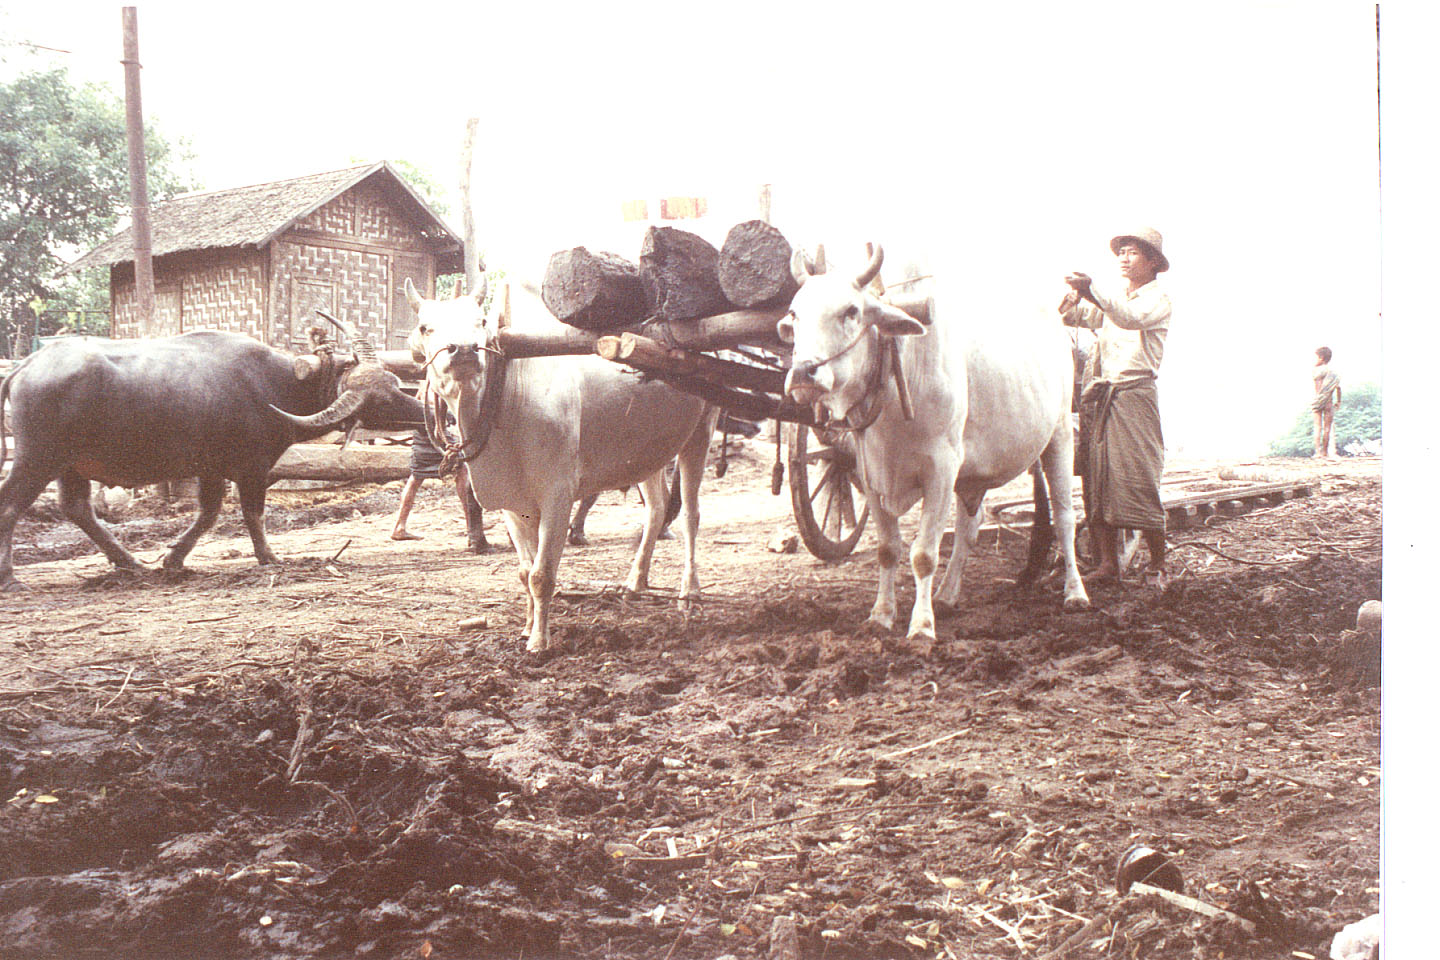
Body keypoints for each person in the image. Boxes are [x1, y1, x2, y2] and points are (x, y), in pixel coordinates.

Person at [1059, 227, 1173, 588]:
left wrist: (1092, 290)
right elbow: (1089, 318)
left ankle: (1158, 562)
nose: (1124, 258)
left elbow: (1128, 318)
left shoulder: (1157, 300)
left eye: (1133, 253)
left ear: (1153, 262)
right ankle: (1108, 563)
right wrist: (1070, 305)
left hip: (1134, 395)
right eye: (1121, 252)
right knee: (1097, 479)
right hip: (1103, 396)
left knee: (1138, 475)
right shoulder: (1117, 300)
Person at [390, 427, 491, 553]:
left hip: (422, 435)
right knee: (461, 471)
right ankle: (471, 528)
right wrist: (451, 443)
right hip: (436, 435)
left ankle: (399, 526)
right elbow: (437, 420)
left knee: (415, 477)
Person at [1311, 346, 1342, 459]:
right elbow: (1338, 388)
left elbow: (1317, 388)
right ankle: (1325, 452)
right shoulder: (1333, 372)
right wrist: (1338, 401)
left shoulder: (1317, 371)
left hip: (1318, 401)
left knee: (1317, 426)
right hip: (1329, 402)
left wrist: (1318, 399)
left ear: (1321, 358)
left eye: (1315, 358)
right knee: (1327, 428)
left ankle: (1318, 453)